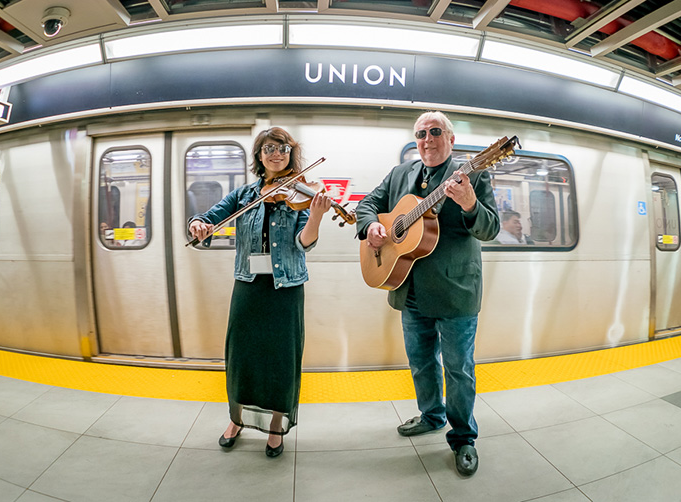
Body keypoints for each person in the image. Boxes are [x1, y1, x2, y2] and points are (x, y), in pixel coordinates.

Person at [355, 111, 500, 476]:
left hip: (455, 292)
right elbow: (366, 204)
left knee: (458, 370)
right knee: (421, 363)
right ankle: (431, 415)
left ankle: (464, 437)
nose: (427, 139)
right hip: (409, 288)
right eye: (421, 133)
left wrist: (469, 204)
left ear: (450, 139)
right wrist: (371, 224)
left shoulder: (474, 175)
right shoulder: (400, 174)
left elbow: (492, 228)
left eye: (436, 132)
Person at [188, 127, 332, 458]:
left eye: (282, 147)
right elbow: (210, 217)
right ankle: (236, 420)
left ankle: (276, 425)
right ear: (259, 155)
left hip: (286, 287)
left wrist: (318, 216)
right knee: (242, 356)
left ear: (290, 153)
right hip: (249, 284)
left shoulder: (303, 193)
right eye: (268, 148)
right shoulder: (244, 194)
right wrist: (199, 224)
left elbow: (303, 243)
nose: (275, 153)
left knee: (281, 359)